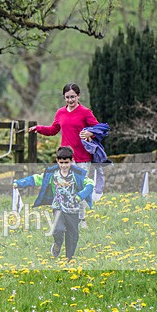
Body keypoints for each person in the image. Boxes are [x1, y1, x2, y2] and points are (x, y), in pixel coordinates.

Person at [28, 83, 98, 227]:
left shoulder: (85, 112)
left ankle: (81, 220)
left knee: (79, 188)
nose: (70, 100)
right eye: (67, 97)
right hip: (66, 158)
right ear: (64, 98)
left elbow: (99, 129)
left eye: (73, 97)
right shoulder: (60, 112)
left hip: (83, 157)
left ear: (79, 96)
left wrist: (91, 133)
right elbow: (53, 130)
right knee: (65, 188)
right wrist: (39, 128)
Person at [13, 146, 94, 261]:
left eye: (66, 162)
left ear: (71, 161)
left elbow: (90, 184)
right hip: (58, 207)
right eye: (61, 163)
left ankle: (69, 259)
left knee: (72, 235)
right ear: (57, 161)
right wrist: (19, 183)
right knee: (58, 229)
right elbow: (36, 179)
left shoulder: (77, 174)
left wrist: (80, 196)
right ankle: (57, 243)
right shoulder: (52, 174)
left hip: (73, 209)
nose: (64, 165)